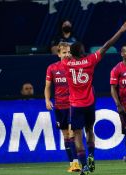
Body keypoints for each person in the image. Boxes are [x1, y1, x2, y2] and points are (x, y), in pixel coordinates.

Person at [62, 19, 126, 175]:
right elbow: (107, 45)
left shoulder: (66, 64)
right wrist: (120, 30)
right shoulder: (90, 60)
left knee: (77, 135)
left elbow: (65, 57)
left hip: (75, 105)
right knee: (89, 131)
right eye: (83, 49)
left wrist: (69, 54)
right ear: (82, 52)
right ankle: (91, 157)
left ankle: (84, 165)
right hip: (89, 104)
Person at [44, 42, 80, 172]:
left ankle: (76, 163)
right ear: (58, 54)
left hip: (73, 105)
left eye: (69, 52)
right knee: (65, 136)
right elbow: (48, 86)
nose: (67, 55)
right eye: (64, 52)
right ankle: (72, 163)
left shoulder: (75, 66)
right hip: (59, 106)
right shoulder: (52, 68)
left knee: (72, 133)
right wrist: (47, 100)